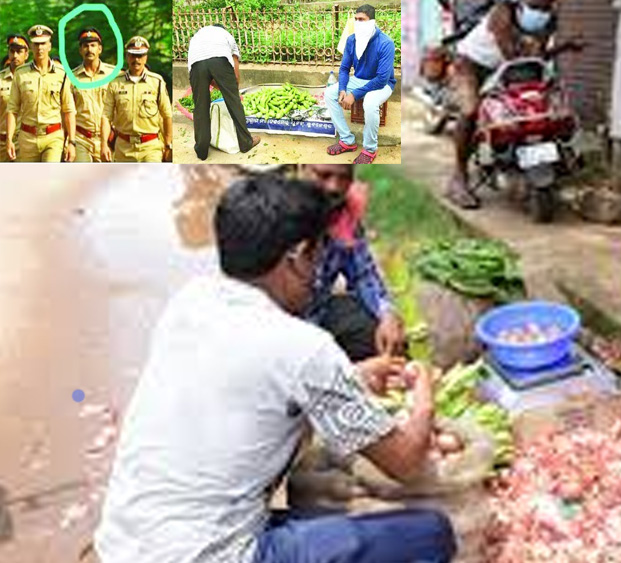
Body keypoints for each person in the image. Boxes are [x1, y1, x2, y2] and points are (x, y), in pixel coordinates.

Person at [94, 174, 457, 563]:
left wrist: (352, 378)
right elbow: (406, 462)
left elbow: (252, 392)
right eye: (317, 258)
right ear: (297, 257)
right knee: (430, 534)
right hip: (208, 556)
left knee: (318, 509)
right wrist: (424, 398)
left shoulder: (190, 301)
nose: (319, 272)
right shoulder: (304, 347)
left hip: (122, 544)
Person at [445, 0, 557, 208]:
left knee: (530, 104)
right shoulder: (503, 12)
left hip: (505, 68)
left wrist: (562, 48)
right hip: (471, 65)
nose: (543, 10)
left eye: (547, 6)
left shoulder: (549, 19)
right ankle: (458, 178)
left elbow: (537, 56)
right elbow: (512, 56)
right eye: (538, 6)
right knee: (471, 112)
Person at [301, 164, 407, 361]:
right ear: (302, 168)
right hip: (281, 330)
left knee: (388, 339)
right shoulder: (279, 217)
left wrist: (387, 313)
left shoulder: (344, 215)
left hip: (318, 314)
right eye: (324, 175)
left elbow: (362, 274)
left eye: (344, 178)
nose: (335, 187)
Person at [325, 4, 397, 164]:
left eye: (362, 20)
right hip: (359, 79)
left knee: (370, 102)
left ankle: (370, 149)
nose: (358, 23)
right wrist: (343, 89)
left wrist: (354, 94)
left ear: (372, 21)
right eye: (356, 19)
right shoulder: (352, 40)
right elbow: (344, 68)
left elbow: (382, 79)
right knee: (330, 93)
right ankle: (347, 140)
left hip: (382, 83)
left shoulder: (386, 43)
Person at [187, 24, 261, 161]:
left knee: (200, 106)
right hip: (220, 60)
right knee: (234, 101)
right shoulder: (226, 35)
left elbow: (202, 68)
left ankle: (201, 150)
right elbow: (235, 64)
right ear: (222, 28)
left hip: (196, 65)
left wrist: (215, 84)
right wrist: (232, 88)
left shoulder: (196, 37)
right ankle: (245, 143)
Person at [5, 25, 76, 162]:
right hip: (27, 138)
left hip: (53, 137)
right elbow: (12, 109)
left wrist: (72, 142)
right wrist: (9, 140)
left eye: (43, 43)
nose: (40, 48)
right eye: (36, 44)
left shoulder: (62, 74)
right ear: (31, 47)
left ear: (50, 46)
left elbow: (68, 110)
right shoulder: (21, 73)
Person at [101, 36, 172, 162]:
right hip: (123, 148)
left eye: (140, 56)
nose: (136, 60)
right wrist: (104, 145)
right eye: (133, 55)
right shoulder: (115, 83)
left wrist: (168, 144)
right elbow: (106, 116)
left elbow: (167, 115)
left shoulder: (157, 82)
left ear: (146, 57)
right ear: (127, 57)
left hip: (150, 148)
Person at [71, 27, 115, 162]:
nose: (89, 50)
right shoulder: (71, 78)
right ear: (80, 50)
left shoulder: (114, 74)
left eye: (93, 45)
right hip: (81, 138)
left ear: (99, 49)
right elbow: (67, 111)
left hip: (108, 138)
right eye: (85, 46)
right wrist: (69, 141)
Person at [0, 34, 29, 163]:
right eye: (12, 51)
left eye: (19, 51)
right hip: (2, 142)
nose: (15, 55)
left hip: (25, 142)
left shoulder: (33, 78)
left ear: (26, 54)